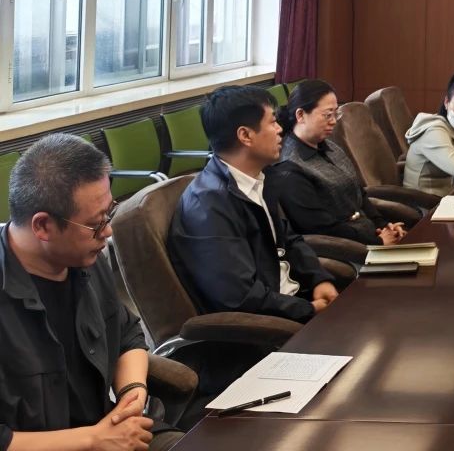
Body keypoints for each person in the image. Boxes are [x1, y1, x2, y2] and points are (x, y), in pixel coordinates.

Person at [1, 133, 181, 450]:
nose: (107, 232)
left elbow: (127, 333)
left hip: (110, 432)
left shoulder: (85, 259)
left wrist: (132, 391)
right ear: (42, 226)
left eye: (109, 214)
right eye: (96, 224)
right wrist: (94, 439)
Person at [169, 85, 338, 323]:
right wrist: (308, 309)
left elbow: (289, 240)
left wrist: (319, 279)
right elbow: (239, 296)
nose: (280, 130)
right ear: (245, 136)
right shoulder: (208, 205)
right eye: (272, 122)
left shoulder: (261, 177)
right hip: (274, 325)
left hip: (296, 301)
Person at [274, 80, 408, 246]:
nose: (334, 121)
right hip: (349, 249)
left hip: (369, 234)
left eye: (335, 114)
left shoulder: (331, 147)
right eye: (327, 115)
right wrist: (377, 242)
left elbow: (358, 194)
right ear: (300, 115)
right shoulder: (290, 168)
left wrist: (383, 226)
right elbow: (320, 228)